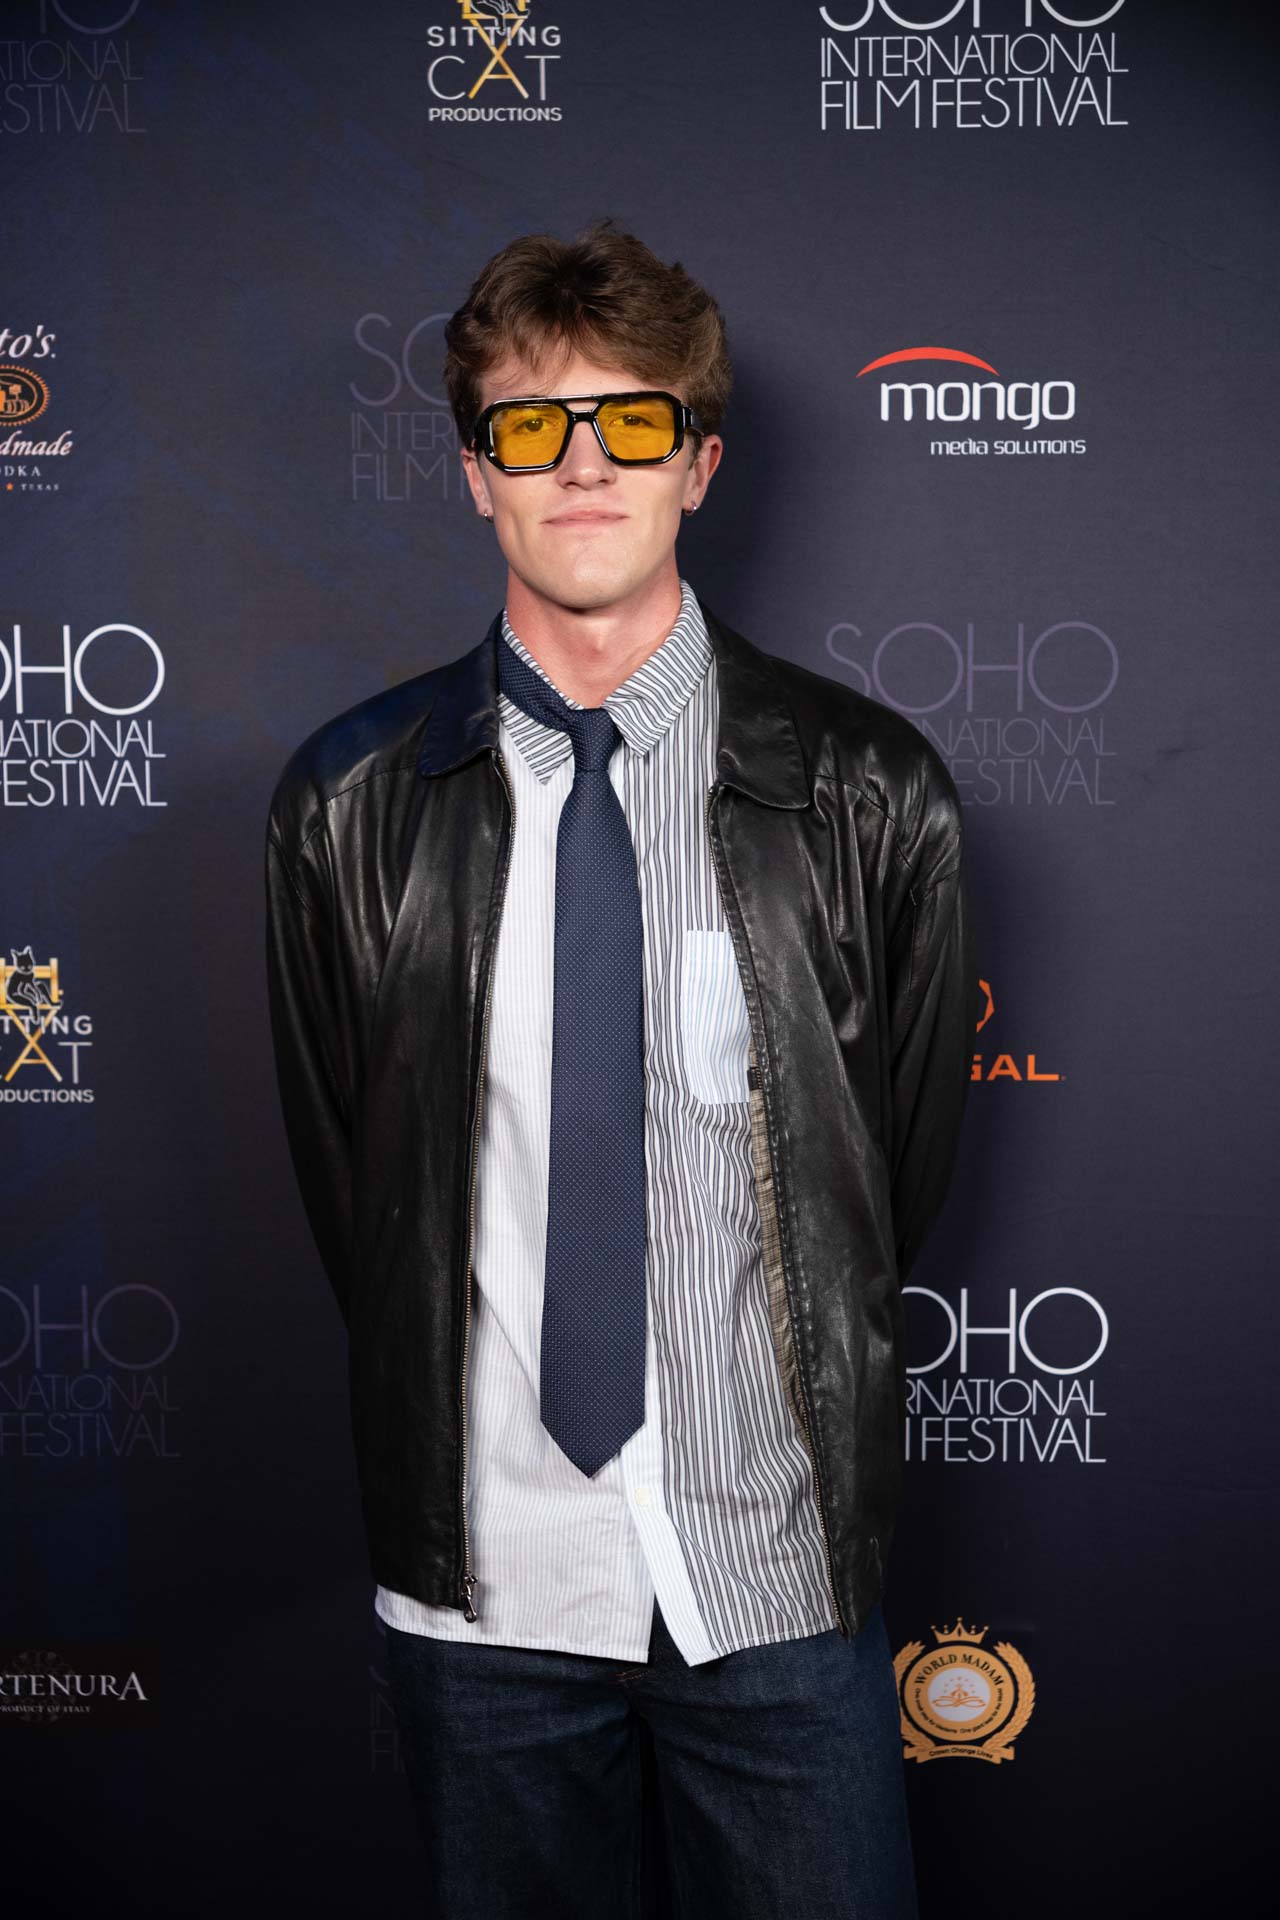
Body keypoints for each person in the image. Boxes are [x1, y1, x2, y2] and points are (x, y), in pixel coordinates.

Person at [265, 217, 977, 1917]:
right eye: (534, 426)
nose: (583, 465)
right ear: (476, 476)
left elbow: (891, 1182)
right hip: (486, 1594)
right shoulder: (347, 808)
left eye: (632, 424)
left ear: (700, 464)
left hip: (774, 1578)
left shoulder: (869, 792)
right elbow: (354, 1192)